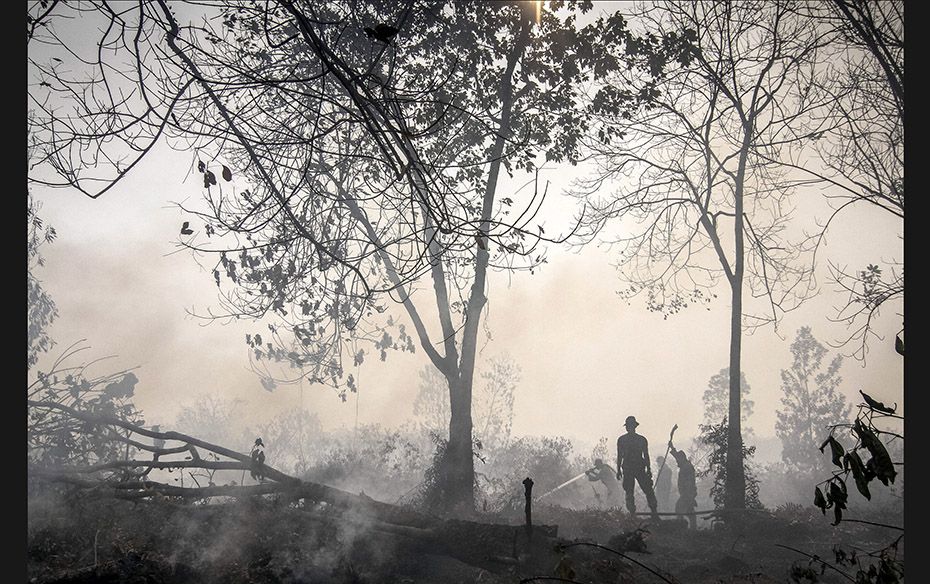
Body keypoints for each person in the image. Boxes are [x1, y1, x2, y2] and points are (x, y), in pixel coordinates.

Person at [616, 416, 659, 519]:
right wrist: (618, 470)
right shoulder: (639, 439)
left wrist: (648, 469)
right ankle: (636, 514)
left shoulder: (624, 440)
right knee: (633, 491)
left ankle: (651, 512)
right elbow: (620, 456)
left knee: (644, 490)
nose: (628, 428)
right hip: (634, 468)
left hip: (635, 468)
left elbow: (645, 455)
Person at [669, 441, 697, 529]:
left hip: (688, 493)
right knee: (689, 511)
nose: (677, 462)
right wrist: (672, 448)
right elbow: (677, 456)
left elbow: (689, 483)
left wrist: (687, 495)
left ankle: (681, 527)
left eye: (678, 460)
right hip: (687, 493)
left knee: (679, 509)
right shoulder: (684, 464)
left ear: (682, 459)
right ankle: (691, 528)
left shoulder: (687, 467)